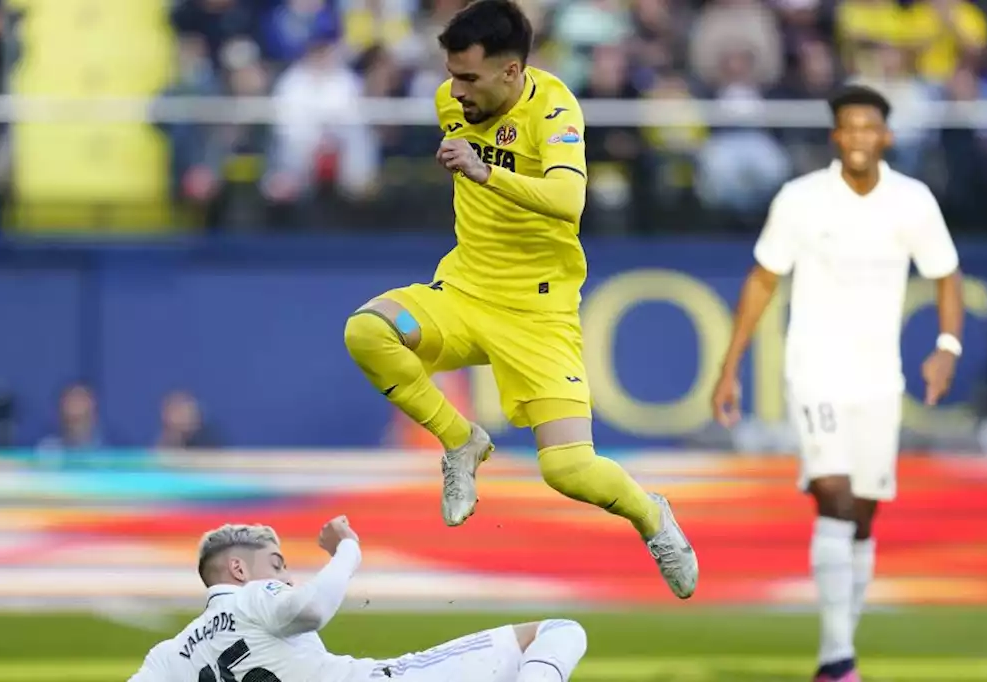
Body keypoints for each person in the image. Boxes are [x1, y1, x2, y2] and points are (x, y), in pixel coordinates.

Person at [341, 0, 697, 599]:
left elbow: (569, 201)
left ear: (511, 72)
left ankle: (652, 517)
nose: (455, 92)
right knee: (368, 330)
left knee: (568, 469)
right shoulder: (449, 102)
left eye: (469, 78)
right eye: (452, 75)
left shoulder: (555, 109)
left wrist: (486, 173)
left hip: (538, 314)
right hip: (461, 292)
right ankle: (461, 440)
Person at [710, 84, 965, 682]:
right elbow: (762, 280)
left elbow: (947, 275)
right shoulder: (800, 200)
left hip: (879, 378)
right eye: (847, 127)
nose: (857, 137)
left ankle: (840, 645)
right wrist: (730, 366)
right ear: (835, 136)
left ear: (886, 136)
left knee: (864, 515)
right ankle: (837, 659)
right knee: (834, 496)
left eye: (867, 128)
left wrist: (946, 348)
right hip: (815, 369)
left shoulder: (912, 200)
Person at [130, 519, 589, 682]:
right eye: (277, 564)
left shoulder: (169, 656)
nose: (285, 578)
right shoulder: (255, 596)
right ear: (238, 570)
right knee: (557, 632)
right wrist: (347, 549)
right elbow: (312, 609)